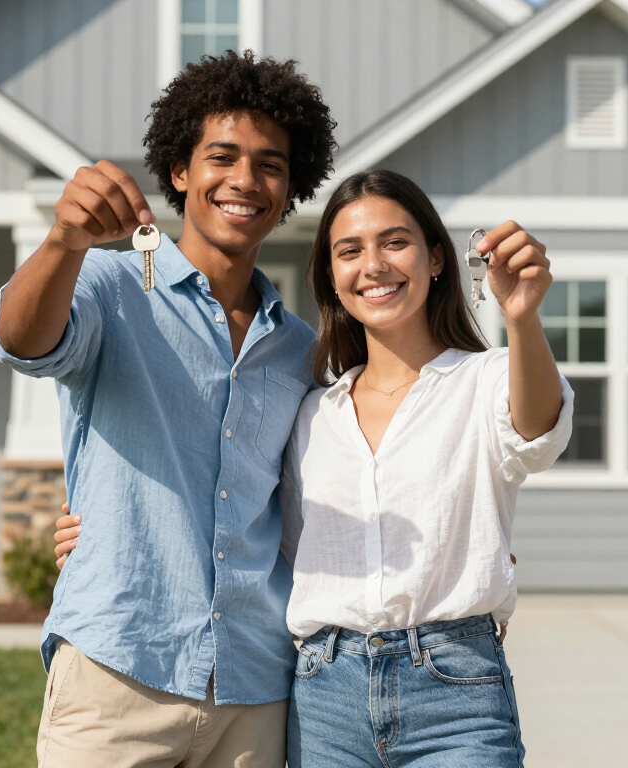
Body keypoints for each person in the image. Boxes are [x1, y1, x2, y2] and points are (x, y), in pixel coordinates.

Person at [57, 169, 571, 766]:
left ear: (436, 259)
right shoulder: (311, 410)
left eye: (395, 242)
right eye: (349, 251)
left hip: (455, 695)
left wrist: (522, 316)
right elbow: (252, 524)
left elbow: (537, 431)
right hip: (325, 695)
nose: (373, 265)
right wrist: (99, 534)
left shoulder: (485, 382)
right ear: (332, 278)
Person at [0, 51, 336, 767]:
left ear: (290, 186)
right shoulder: (112, 288)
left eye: (270, 164)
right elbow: (21, 341)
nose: (246, 179)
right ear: (180, 171)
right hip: (118, 674)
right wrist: (64, 239)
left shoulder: (300, 351)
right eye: (223, 156)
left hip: (253, 690)